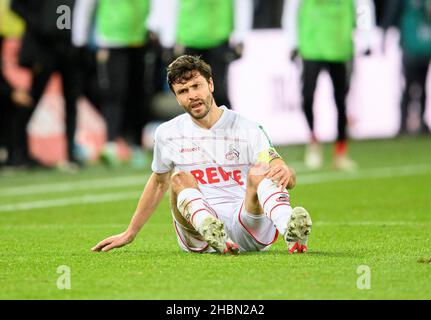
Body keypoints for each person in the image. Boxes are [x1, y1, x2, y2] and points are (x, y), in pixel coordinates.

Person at [92, 55, 312, 255]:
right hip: (198, 235)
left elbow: (280, 170)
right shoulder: (168, 133)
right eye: (183, 91)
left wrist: (285, 171)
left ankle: (290, 230)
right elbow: (159, 183)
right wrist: (130, 232)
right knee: (178, 178)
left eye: (196, 86)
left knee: (263, 170)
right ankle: (208, 225)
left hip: (248, 222)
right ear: (177, 98)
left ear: (211, 85)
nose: (192, 96)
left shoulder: (247, 128)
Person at [283, 0, 376, 171]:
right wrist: (292, 42)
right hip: (311, 48)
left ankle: (340, 152)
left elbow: (363, 7)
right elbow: (292, 9)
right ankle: (313, 141)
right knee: (307, 97)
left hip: (339, 49)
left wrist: (367, 38)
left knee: (341, 102)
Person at [11, 0, 81, 170]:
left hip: (69, 47)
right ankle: (18, 153)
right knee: (31, 99)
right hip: (44, 49)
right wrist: (40, 24)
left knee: (71, 102)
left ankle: (70, 154)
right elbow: (16, 5)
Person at [382, 0, 431, 136]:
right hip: (412, 46)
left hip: (423, 46)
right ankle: (405, 122)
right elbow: (392, 14)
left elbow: (391, 15)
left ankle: (416, 122)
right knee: (410, 85)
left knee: (419, 85)